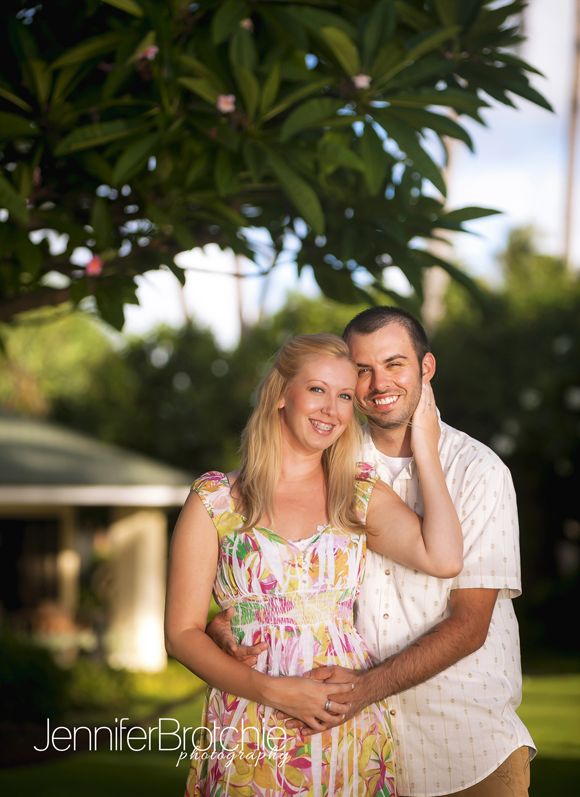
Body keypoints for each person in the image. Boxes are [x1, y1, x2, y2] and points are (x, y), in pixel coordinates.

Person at [209, 308, 535, 797]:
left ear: (426, 368)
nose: (378, 382)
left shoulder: (480, 472)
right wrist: (226, 626)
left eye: (395, 363)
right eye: (362, 370)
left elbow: (470, 626)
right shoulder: (329, 459)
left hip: (466, 747)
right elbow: (274, 567)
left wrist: (362, 690)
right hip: (358, 749)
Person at [165, 333, 463, 796]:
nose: (332, 409)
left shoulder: (356, 494)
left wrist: (425, 443)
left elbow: (443, 557)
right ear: (283, 393)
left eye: (345, 396)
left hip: (345, 724)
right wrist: (269, 689)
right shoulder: (215, 501)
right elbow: (181, 634)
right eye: (318, 390)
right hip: (251, 720)